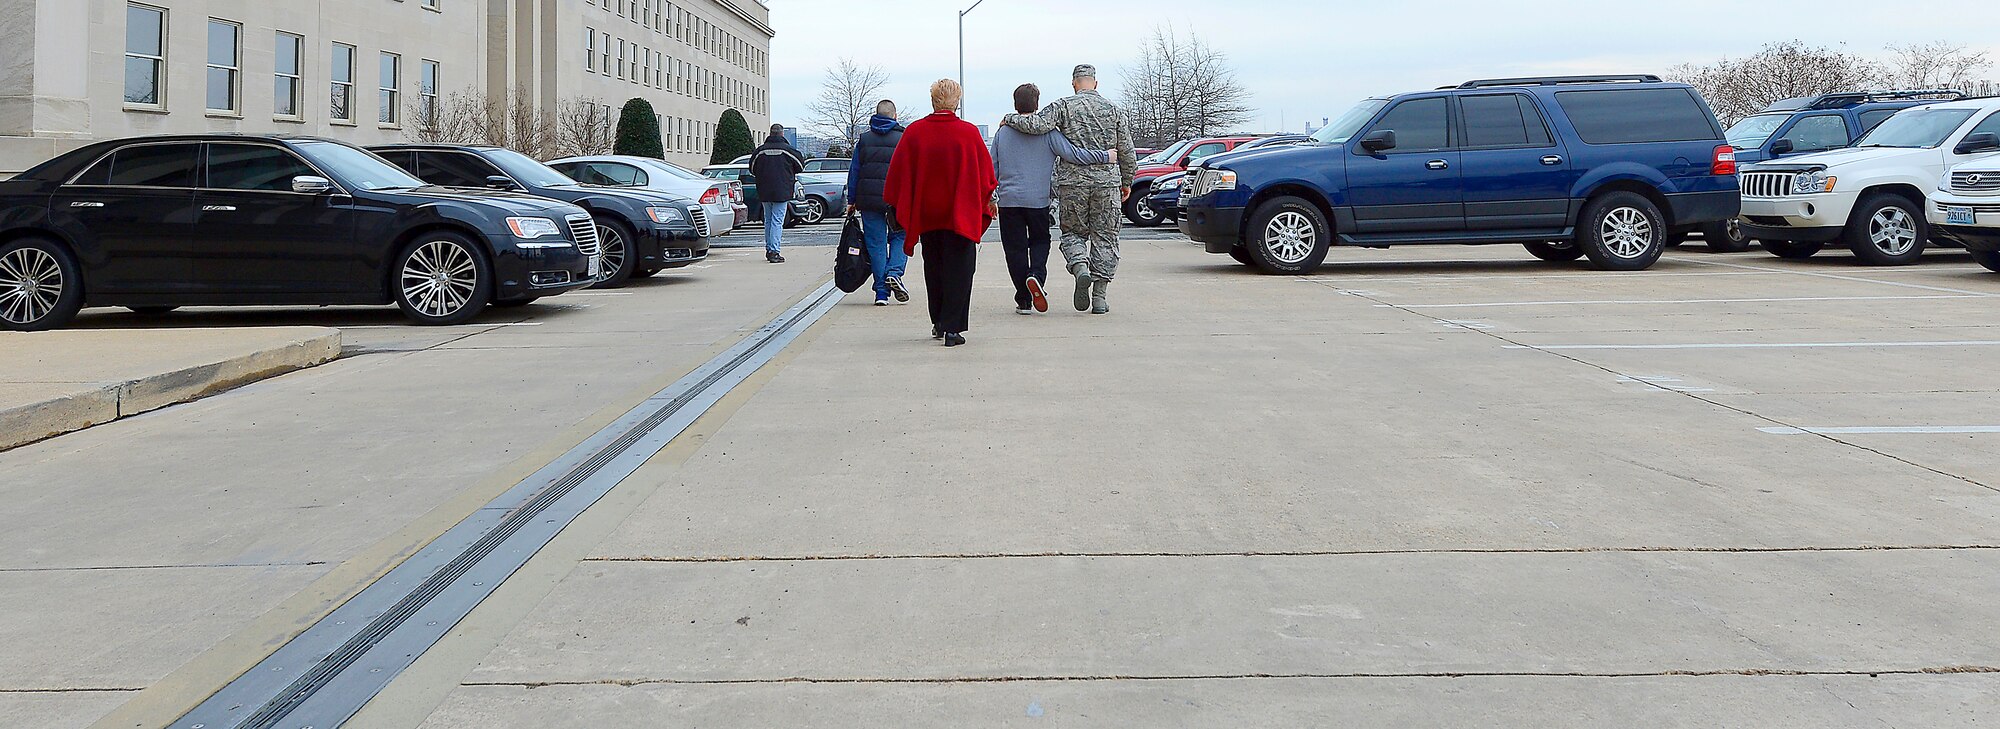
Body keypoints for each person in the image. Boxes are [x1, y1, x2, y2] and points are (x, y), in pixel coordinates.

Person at [1000, 64, 1137, 314]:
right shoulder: (1115, 110)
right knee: (1105, 237)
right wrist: (1127, 181)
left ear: (1074, 83)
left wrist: (1009, 118)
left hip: (1072, 184)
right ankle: (1099, 297)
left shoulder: (1062, 106)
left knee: (1073, 233)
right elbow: (1127, 151)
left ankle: (1080, 266)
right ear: (1095, 83)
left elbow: (1035, 125)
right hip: (1106, 184)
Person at [885, 79, 997, 348]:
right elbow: (986, 177)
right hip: (960, 214)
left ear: (933, 101)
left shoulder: (914, 132)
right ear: (956, 102)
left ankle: (938, 321)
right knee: (960, 269)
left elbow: (896, 176)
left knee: (933, 267)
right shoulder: (968, 133)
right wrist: (986, 201)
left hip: (927, 215)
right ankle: (952, 328)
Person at [845, 100, 909, 305]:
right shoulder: (903, 138)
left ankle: (881, 292)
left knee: (876, 244)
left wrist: (851, 200)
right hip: (897, 199)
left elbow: (854, 171)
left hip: (869, 199)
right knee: (901, 236)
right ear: (895, 115)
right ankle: (895, 273)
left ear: (876, 115)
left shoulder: (864, 140)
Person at [748, 124, 804, 263]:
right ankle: (774, 251)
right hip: (782, 189)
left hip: (764, 189)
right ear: (782, 134)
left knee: (768, 220)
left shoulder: (760, 151)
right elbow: (800, 166)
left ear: (770, 133)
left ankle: (769, 249)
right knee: (777, 221)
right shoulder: (789, 151)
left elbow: (752, 168)